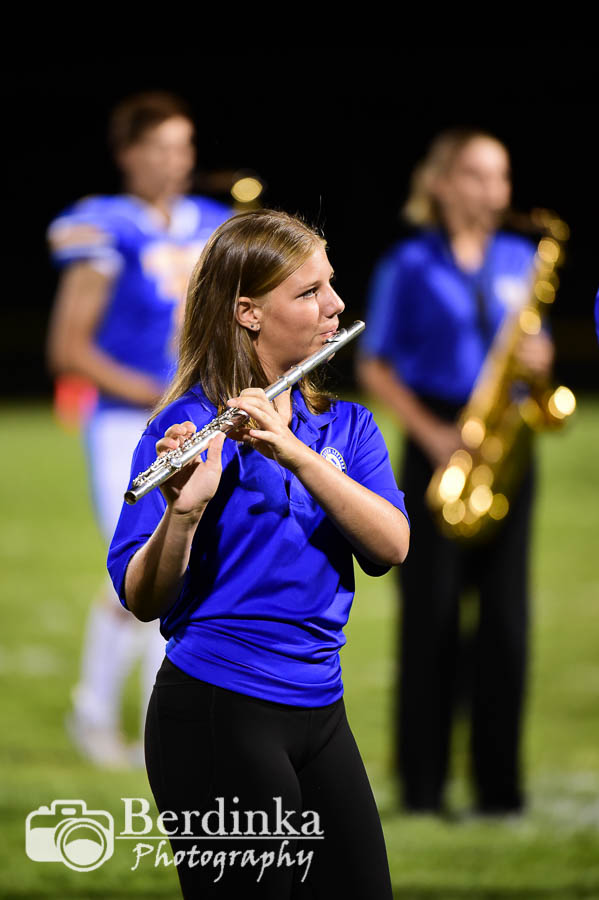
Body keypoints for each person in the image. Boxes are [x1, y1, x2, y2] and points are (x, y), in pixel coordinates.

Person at [107, 209, 410, 898]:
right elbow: (142, 598)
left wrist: (295, 453)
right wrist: (183, 513)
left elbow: (391, 545)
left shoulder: (345, 427)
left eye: (330, 284)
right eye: (309, 292)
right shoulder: (183, 427)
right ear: (248, 313)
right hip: (218, 710)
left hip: (321, 710)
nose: (335, 305)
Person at [357, 128, 554, 817]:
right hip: (436, 439)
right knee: (431, 616)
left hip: (504, 442)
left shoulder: (520, 257)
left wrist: (538, 363)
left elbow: (530, 348)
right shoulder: (409, 263)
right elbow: (374, 364)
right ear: (441, 182)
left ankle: (500, 790)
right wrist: (432, 433)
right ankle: (423, 787)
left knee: (506, 620)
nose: (494, 189)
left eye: (501, 176)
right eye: (477, 174)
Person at [46, 91, 231, 767]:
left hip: (200, 418)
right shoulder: (105, 225)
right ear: (127, 154)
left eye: (183, 146)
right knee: (141, 564)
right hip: (129, 421)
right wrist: (159, 393)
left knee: (192, 566)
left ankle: (166, 720)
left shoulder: (211, 222)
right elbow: (69, 349)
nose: (173, 161)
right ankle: (93, 712)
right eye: (158, 147)